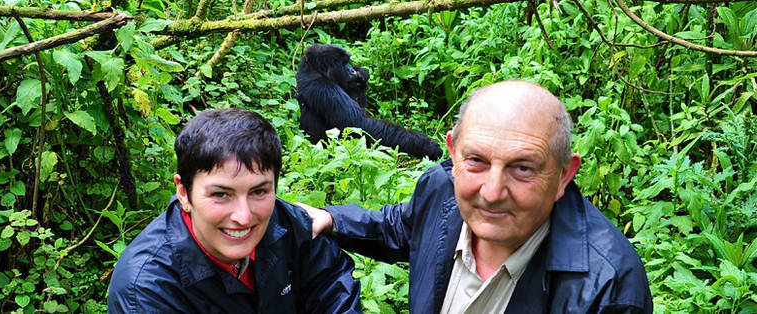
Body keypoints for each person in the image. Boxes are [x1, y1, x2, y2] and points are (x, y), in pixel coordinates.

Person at [303, 81, 653, 313]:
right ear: (453, 153)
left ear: (564, 174)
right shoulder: (442, 189)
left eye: (523, 168)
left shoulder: (609, 287)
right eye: (477, 161)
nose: (492, 192)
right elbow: (402, 227)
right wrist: (332, 219)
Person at [107, 109, 361, 313]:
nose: (244, 216)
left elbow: (332, 285)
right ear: (184, 192)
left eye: (258, 192)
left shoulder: (283, 222)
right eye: (221, 195)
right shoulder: (146, 291)